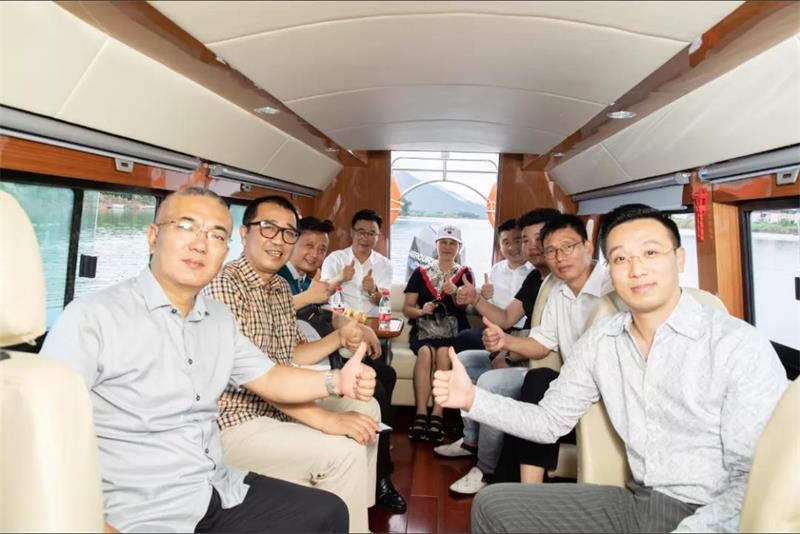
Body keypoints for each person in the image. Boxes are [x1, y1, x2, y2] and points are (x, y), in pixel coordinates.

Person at [433, 204, 789, 533]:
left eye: (651, 253)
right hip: (641, 502)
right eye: (621, 258)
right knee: (493, 505)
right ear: (610, 268)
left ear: (679, 259)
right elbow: (548, 421)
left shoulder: (737, 345)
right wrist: (472, 399)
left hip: (719, 511)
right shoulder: (602, 340)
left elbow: (757, 476)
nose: (636, 269)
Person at [40, 187, 378, 532]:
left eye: (216, 235)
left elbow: (270, 377)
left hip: (212, 488)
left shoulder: (218, 319)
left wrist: (338, 380)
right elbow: (39, 436)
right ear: (153, 237)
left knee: (330, 512)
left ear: (224, 250)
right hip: (140, 509)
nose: (201, 244)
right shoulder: (91, 318)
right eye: (186, 227)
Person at [202, 196, 381, 532]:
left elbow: (292, 354)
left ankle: (359, 516)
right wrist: (327, 416)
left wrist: (340, 337)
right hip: (235, 420)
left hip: (276, 405)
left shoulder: (281, 288)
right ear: (244, 233)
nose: (279, 240)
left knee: (367, 407)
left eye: (288, 233)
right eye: (268, 228)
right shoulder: (224, 286)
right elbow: (260, 378)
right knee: (344, 453)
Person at [277, 215, 407, 513]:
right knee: (376, 388)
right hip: (304, 363)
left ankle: (380, 449)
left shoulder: (306, 277)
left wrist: (360, 326)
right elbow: (294, 310)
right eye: (308, 245)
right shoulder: (282, 277)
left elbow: (328, 312)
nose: (315, 254)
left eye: (321, 248)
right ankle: (381, 477)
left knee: (386, 373)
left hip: (326, 346)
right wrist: (317, 299)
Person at [436, 208, 560, 494]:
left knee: (492, 383)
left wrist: (508, 351)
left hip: (546, 367)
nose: (531, 246)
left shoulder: (562, 283)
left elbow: (549, 343)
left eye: (539, 238)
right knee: (466, 361)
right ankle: (471, 440)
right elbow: (505, 319)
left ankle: (486, 468)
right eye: (526, 240)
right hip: (527, 352)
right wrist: (476, 298)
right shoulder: (536, 279)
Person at [403, 224, 474, 443]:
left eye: (453, 243)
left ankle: (438, 414)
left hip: (454, 329)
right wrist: (421, 311)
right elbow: (408, 308)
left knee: (443, 353)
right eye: (443, 242)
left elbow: (463, 306)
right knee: (425, 352)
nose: (447, 247)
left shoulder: (465, 273)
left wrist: (454, 293)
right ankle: (420, 413)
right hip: (425, 327)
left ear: (459, 248)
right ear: (436, 245)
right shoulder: (420, 272)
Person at [453, 217, 533, 352]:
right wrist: (483, 296)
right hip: (497, 327)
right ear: (500, 247)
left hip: (526, 331)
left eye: (517, 241)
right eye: (506, 242)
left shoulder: (535, 273)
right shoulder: (495, 270)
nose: (512, 247)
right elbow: (486, 306)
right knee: (463, 337)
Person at [321, 209, 392, 317]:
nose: (365, 238)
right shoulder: (335, 259)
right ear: (352, 232)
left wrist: (373, 290)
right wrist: (340, 278)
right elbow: (322, 294)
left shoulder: (385, 264)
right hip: (341, 319)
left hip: (372, 320)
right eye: (361, 232)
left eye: (371, 233)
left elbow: (383, 302)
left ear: (377, 236)